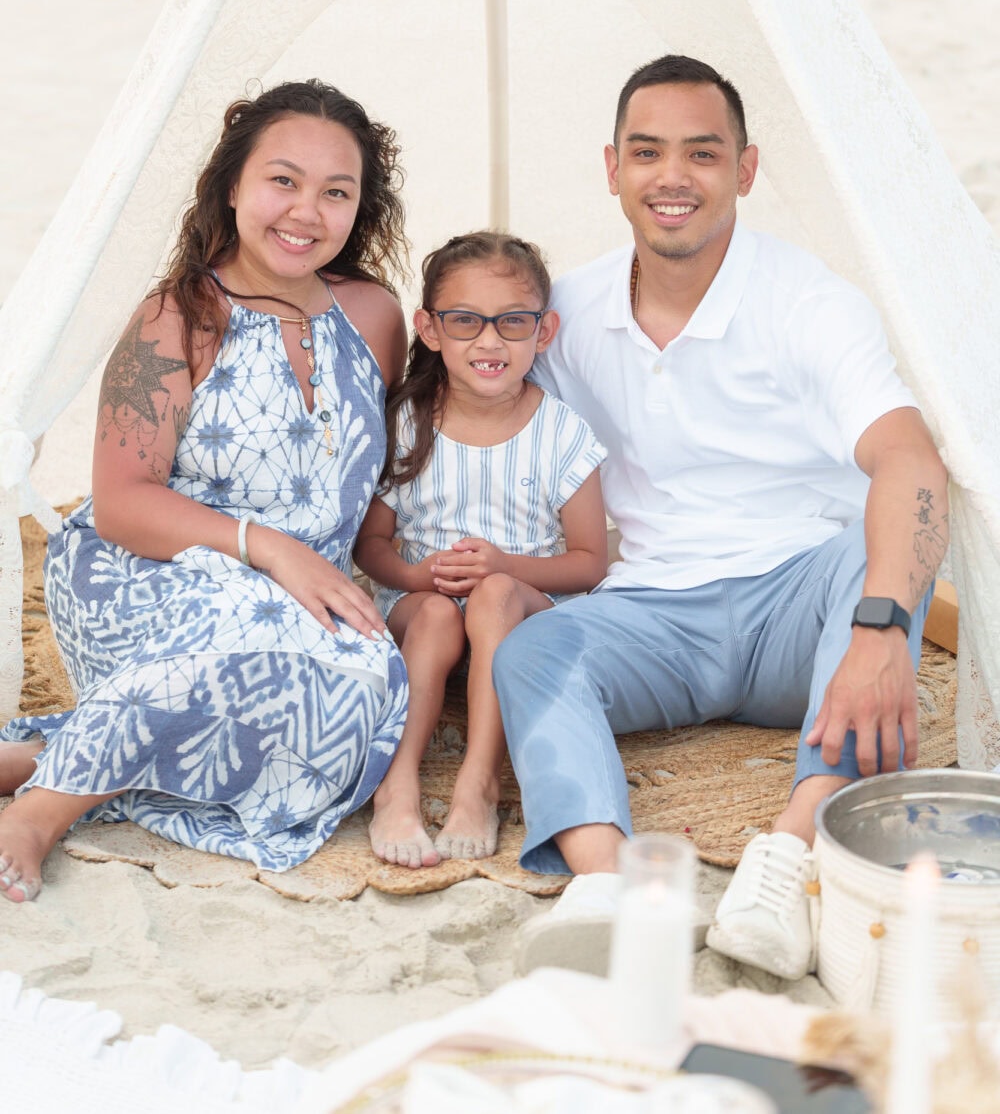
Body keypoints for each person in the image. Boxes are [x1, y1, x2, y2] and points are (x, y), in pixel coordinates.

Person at [492, 54, 949, 980]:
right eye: (648, 152)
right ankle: (610, 884)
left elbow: (910, 460)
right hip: (653, 610)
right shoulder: (567, 311)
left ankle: (789, 861)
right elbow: (477, 407)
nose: (673, 177)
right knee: (531, 651)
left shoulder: (810, 302)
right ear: (611, 166)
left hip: (800, 602)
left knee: (886, 545)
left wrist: (880, 629)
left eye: (702, 154)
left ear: (744, 169)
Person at [0, 79, 412, 903]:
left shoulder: (375, 317)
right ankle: (39, 812)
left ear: (360, 208)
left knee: (366, 687)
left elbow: (371, 476)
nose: (306, 211)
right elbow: (118, 500)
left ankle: (38, 756)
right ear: (233, 186)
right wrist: (271, 550)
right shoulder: (178, 315)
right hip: (147, 570)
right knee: (257, 633)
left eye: (337, 192)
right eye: (283, 181)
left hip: (305, 598)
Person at [353, 231, 608, 869]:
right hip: (423, 613)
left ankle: (479, 781)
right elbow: (371, 546)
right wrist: (415, 574)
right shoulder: (405, 424)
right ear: (430, 329)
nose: (489, 341)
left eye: (511, 322)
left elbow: (589, 563)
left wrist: (505, 567)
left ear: (543, 331)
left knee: (492, 595)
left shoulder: (562, 433)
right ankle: (399, 782)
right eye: (465, 321)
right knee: (438, 610)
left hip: (524, 609)